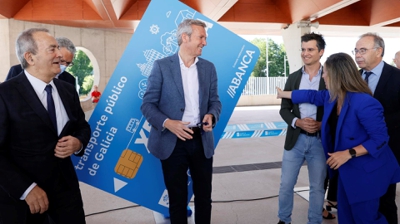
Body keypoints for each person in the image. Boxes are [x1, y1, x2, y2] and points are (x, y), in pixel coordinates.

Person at [277, 52, 400, 223]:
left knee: (365, 218)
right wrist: (284, 94)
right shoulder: (332, 97)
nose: (323, 76)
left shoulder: (365, 102)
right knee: (346, 217)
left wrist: (348, 153)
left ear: (337, 75)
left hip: (366, 172)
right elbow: (311, 95)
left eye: (326, 72)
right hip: (345, 171)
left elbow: (380, 139)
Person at [0, 28, 91, 223]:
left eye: (58, 48)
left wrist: (78, 142)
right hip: (24, 201)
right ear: (30, 58)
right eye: (52, 49)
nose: (60, 54)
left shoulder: (67, 89)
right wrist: (26, 189)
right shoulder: (4, 94)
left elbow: (82, 127)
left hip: (67, 193)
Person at [141, 19, 221, 224]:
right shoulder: (161, 66)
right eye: (201, 37)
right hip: (172, 141)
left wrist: (211, 115)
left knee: (204, 197)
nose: (205, 42)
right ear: (185, 37)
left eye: (205, 38)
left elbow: (215, 102)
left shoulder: (209, 68)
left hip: (201, 139)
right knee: (177, 200)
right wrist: (168, 123)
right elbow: (147, 105)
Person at [277, 33, 327, 224]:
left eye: (310, 49)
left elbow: (336, 110)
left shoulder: (329, 77)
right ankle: (284, 220)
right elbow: (284, 109)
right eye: (303, 49)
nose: (305, 53)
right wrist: (297, 122)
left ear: (321, 52)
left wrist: (321, 124)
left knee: (317, 187)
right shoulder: (293, 78)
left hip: (320, 141)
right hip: (295, 139)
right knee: (286, 184)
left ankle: (315, 221)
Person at [354, 32, 400, 224]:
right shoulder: (354, 78)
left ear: (379, 51)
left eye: (363, 50)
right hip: (358, 151)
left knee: (385, 199)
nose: (357, 55)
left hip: (388, 150)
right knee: (362, 199)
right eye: (356, 50)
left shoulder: (397, 77)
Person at [6, 37, 76, 86]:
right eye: (61, 61)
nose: (64, 66)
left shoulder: (69, 79)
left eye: (68, 63)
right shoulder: (17, 71)